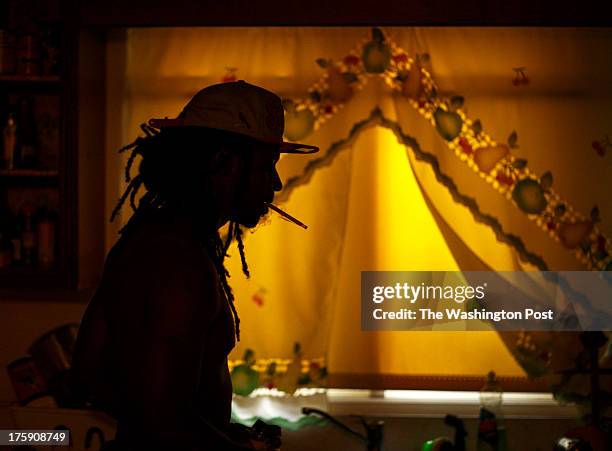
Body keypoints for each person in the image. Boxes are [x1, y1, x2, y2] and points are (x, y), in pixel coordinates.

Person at [69, 81, 318, 450]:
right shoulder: (177, 262)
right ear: (223, 162)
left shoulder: (155, 241)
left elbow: (91, 376)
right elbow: (162, 424)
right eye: (267, 166)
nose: (277, 183)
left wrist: (223, 433)